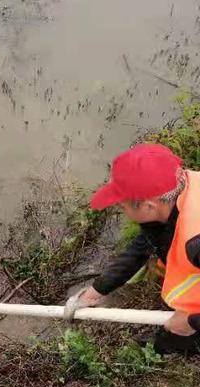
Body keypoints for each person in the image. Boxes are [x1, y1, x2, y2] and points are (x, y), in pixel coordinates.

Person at [64, 143, 200, 353]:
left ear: (149, 206)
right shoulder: (180, 188)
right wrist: (97, 290)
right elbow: (144, 244)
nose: (121, 210)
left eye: (122, 206)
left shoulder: (195, 242)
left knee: (181, 330)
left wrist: (191, 321)